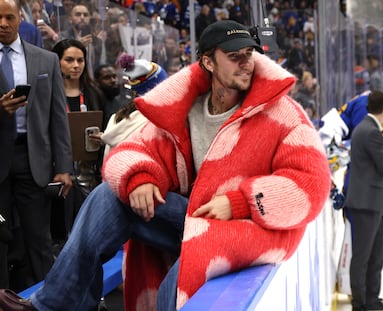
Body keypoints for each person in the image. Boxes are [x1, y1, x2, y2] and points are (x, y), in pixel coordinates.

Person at [0, 20, 331, 311]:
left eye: (249, 54)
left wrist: (240, 202)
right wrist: (141, 178)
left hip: (244, 228)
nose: (246, 63)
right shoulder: (183, 108)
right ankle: (54, 306)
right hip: (191, 216)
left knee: (187, 267)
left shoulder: (282, 112)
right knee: (108, 196)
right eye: (235, 56)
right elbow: (130, 150)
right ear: (208, 62)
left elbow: (311, 184)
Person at [0, 0, 72, 291]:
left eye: (9, 17)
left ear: (21, 20)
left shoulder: (46, 60)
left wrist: (64, 167)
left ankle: (49, 300)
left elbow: (58, 118)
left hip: (34, 161)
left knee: (39, 240)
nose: (2, 23)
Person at [345, 90, 383, 311]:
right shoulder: (370, 131)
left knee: (376, 254)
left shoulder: (369, 129)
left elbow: (374, 168)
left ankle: (371, 299)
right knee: (363, 256)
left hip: (374, 201)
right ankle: (360, 304)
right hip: (366, 203)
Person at [51, 38, 104, 236]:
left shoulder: (93, 93)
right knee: (61, 231)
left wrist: (103, 137)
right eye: (69, 60)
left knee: (89, 231)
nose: (76, 66)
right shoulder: (48, 92)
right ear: (57, 61)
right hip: (56, 171)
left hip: (88, 172)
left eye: (80, 60)